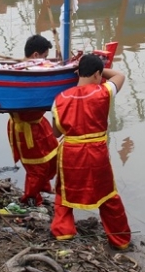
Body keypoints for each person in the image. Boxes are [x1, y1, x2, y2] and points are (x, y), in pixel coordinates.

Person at [50, 54, 131, 250]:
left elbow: (56, 132)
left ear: (78, 72)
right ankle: (120, 240)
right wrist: (103, 68)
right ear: (97, 74)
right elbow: (120, 75)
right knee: (107, 195)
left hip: (70, 152)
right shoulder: (103, 92)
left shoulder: (60, 98)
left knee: (64, 193)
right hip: (96, 153)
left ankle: (64, 232)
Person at [7, 35, 58, 206]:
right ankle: (30, 197)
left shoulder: (16, 69)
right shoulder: (31, 70)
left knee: (53, 156)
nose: (45, 60)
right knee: (37, 167)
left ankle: (43, 186)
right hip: (27, 127)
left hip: (38, 121)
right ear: (36, 55)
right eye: (44, 56)